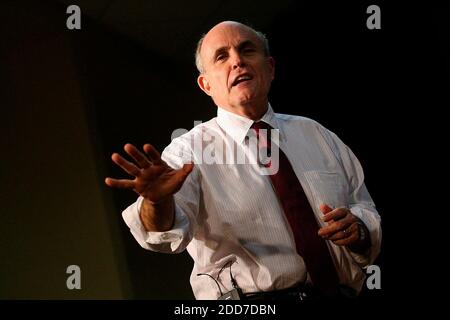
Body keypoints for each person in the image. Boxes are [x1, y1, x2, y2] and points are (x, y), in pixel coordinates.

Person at [105, 21, 381, 300]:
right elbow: (163, 235)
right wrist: (156, 202)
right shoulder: (187, 151)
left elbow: (364, 207)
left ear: (270, 68)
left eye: (247, 50)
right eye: (221, 56)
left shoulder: (316, 134)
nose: (237, 61)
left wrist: (359, 229)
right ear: (206, 84)